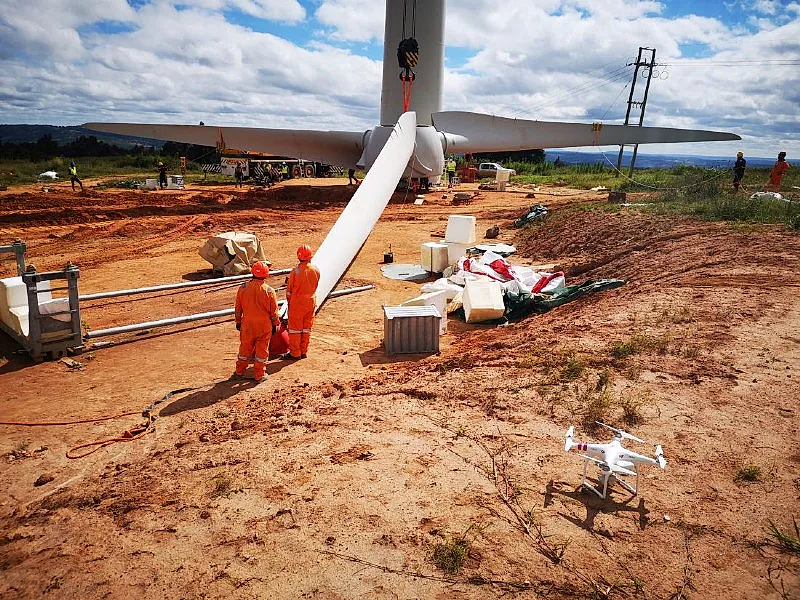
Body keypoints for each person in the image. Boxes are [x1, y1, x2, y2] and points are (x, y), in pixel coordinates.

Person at [233, 261, 280, 382]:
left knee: (244, 349)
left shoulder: (243, 288)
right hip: (264, 326)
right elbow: (274, 312)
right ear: (266, 274)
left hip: (247, 325)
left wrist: (238, 321)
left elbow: (238, 308)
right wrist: (275, 324)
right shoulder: (269, 291)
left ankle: (239, 372)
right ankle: (259, 375)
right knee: (262, 351)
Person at [282, 244, 321, 360]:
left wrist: (290, 302)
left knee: (295, 330)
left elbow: (289, 291)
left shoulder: (295, 271)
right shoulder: (316, 270)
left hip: (297, 304)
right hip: (310, 302)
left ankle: (295, 353)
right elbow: (315, 285)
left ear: (298, 257)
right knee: (306, 328)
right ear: (310, 257)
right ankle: (303, 351)